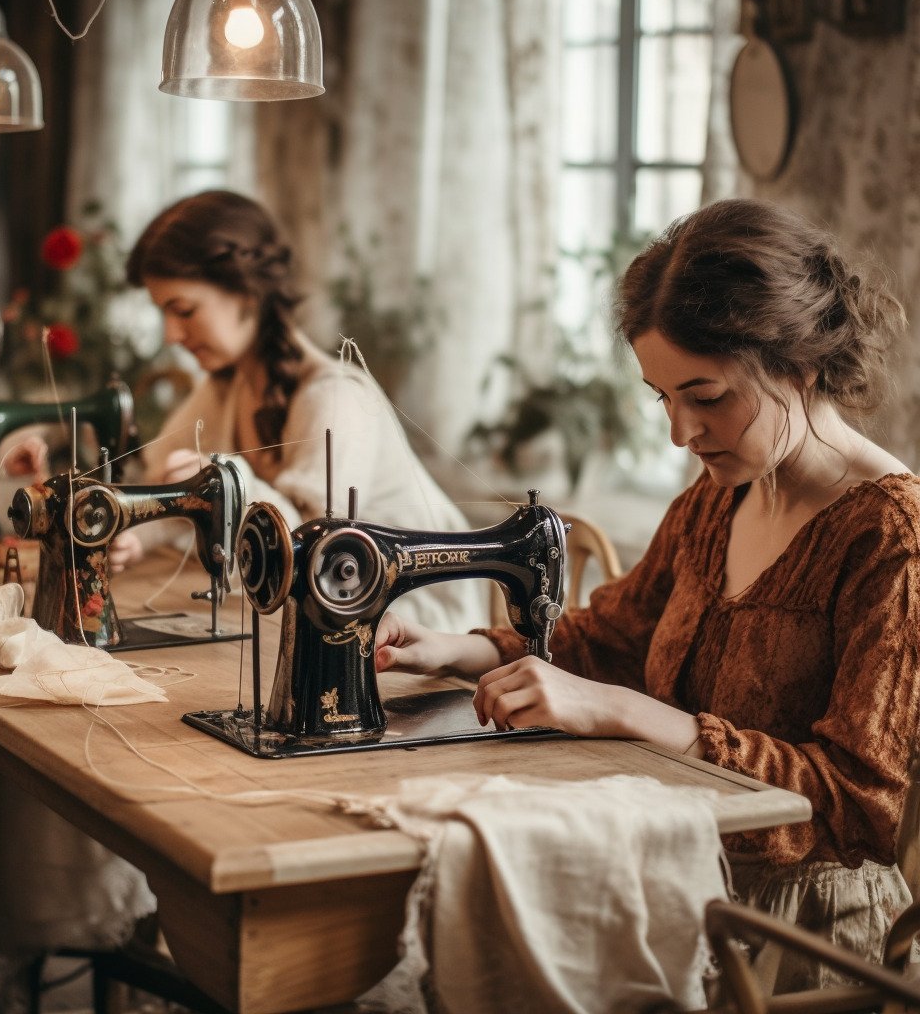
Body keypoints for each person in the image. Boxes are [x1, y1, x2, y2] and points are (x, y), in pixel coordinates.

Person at [375, 197, 920, 994]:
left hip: (802, 949)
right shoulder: (716, 500)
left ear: (799, 365)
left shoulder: (892, 538)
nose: (680, 433)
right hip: (680, 883)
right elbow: (613, 638)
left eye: (708, 397)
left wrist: (630, 713)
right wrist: (458, 650)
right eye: (662, 397)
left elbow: (856, 806)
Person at [114, 189, 488, 634]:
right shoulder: (225, 387)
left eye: (184, 311)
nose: (171, 335)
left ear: (247, 293)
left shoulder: (336, 398)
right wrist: (137, 534)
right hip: (326, 616)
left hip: (417, 625)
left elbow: (313, 550)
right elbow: (167, 486)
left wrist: (232, 483)